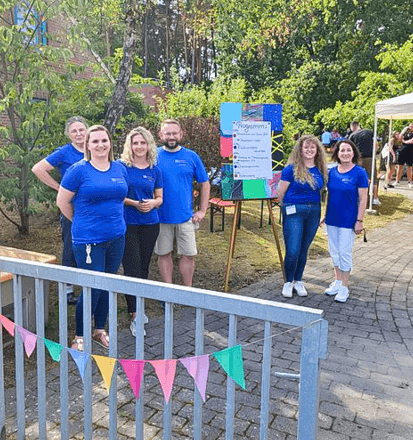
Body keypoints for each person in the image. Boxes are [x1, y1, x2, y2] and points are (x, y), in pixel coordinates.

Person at [56, 125, 128, 351]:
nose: (100, 145)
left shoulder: (119, 168)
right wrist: (81, 223)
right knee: (91, 287)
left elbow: (120, 198)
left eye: (104, 140)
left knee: (107, 284)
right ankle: (79, 336)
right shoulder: (78, 170)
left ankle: (99, 329)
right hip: (89, 240)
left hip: (117, 237)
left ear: (110, 143)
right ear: (87, 145)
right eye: (94, 141)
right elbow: (62, 202)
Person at [32, 116, 89, 305]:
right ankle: (68, 291)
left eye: (81, 130)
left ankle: (90, 286)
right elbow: (38, 169)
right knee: (71, 246)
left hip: (93, 209)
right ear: (69, 134)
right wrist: (60, 190)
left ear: (87, 130)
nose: (79, 134)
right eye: (74, 131)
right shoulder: (64, 152)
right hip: (71, 207)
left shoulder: (96, 148)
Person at [154, 119, 210, 287]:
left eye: (174, 133)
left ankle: (187, 291)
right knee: (164, 254)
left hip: (186, 216)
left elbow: (205, 183)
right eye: (167, 133)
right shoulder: (153, 156)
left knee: (189, 255)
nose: (171, 137)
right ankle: (169, 291)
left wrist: (202, 211)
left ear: (181, 134)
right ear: (161, 135)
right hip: (160, 216)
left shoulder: (191, 156)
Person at [119, 127, 163, 336]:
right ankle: (134, 314)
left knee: (144, 267)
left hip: (151, 224)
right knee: (131, 268)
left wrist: (153, 203)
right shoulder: (121, 167)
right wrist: (134, 203)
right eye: (135, 143)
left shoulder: (155, 169)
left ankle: (139, 305)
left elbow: (160, 198)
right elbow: (117, 195)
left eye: (142, 143)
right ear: (130, 145)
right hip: (128, 223)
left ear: (148, 145)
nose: (139, 147)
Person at [278, 135, 328, 298]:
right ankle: (288, 282)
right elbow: (280, 193)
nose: (309, 150)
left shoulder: (320, 170)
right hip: (294, 211)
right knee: (293, 249)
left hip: (313, 211)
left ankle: (298, 281)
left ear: (317, 150)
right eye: (306, 147)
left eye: (312, 147)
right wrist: (286, 209)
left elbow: (323, 191)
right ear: (300, 149)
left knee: (303, 249)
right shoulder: (290, 169)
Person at [323, 140, 368, 303]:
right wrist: (324, 215)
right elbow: (329, 195)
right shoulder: (332, 172)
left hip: (349, 221)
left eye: (348, 150)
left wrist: (359, 221)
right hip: (331, 219)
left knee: (344, 252)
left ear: (353, 153)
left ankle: (344, 287)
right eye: (342, 150)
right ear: (337, 153)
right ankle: (337, 281)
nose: (345, 153)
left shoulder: (360, 173)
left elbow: (363, 199)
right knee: (334, 252)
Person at [348, 121, 380, 205]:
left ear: (352, 127)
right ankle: (375, 198)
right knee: (373, 178)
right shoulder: (369, 132)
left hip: (358, 160)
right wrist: (374, 153)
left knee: (358, 179)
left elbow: (350, 149)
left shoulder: (352, 135)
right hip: (370, 158)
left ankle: (358, 198)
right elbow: (376, 144)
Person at [394, 123, 413, 187]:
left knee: (409, 167)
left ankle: (410, 182)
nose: (410, 127)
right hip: (402, 151)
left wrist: (404, 141)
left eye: (411, 126)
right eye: (409, 126)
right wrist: (403, 130)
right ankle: (397, 181)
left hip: (410, 151)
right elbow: (399, 138)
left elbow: (411, 141)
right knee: (400, 166)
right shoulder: (405, 133)